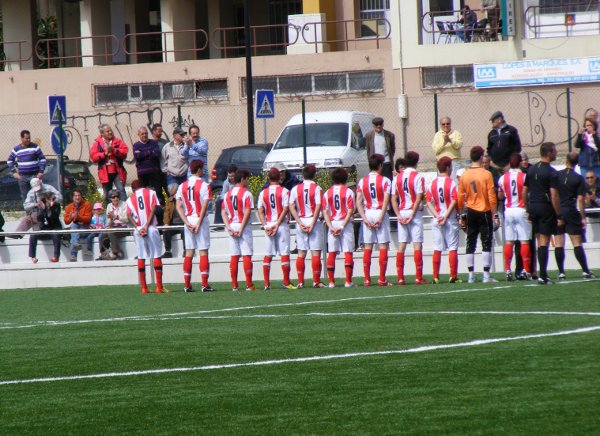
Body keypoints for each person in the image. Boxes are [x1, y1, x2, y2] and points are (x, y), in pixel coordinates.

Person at [458, 146, 500, 283]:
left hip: (471, 211)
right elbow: (491, 196)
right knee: (486, 242)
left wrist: (461, 212)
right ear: (481, 157)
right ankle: (486, 275)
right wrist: (494, 213)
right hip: (484, 211)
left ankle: (471, 275)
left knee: (471, 242)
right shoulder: (486, 174)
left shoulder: (465, 175)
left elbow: (460, 196)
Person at [522, 142, 561, 285]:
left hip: (533, 206)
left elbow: (524, 191)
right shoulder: (552, 172)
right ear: (549, 153)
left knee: (539, 241)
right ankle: (543, 275)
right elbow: (554, 195)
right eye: (555, 151)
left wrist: (527, 208)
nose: (556, 153)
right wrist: (558, 214)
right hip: (545, 207)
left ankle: (541, 274)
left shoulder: (531, 170)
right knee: (544, 242)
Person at [554, 152, 595, 280]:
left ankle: (561, 272)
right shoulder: (578, 178)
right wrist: (583, 217)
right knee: (577, 243)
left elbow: (553, 193)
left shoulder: (557, 175)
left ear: (566, 160)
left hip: (558, 211)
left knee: (559, 243)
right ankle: (585, 271)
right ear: (577, 163)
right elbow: (581, 199)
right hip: (571, 210)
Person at [175, 160, 213, 293]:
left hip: (189, 220)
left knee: (189, 252)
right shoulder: (204, 185)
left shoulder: (182, 186)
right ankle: (204, 284)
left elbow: (178, 206)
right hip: (200, 220)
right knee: (203, 251)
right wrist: (198, 223)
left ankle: (187, 285)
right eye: (202, 168)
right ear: (199, 169)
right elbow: (204, 206)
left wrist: (186, 222)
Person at [356, 154, 393, 287]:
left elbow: (358, 201)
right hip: (379, 213)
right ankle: (382, 279)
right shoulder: (385, 181)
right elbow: (386, 201)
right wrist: (380, 217)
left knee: (368, 246)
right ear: (380, 165)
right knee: (383, 245)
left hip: (368, 213)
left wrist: (364, 218)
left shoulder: (362, 181)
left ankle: (367, 279)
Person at [391, 151, 427, 285]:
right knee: (417, 244)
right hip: (413, 213)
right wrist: (412, 214)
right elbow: (418, 198)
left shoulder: (397, 177)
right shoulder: (418, 176)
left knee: (402, 244)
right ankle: (418, 277)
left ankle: (400, 278)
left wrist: (398, 215)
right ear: (416, 162)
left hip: (402, 212)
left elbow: (393, 198)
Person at [257, 167, 296, 290]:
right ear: (279, 177)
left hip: (269, 225)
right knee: (284, 253)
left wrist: (265, 225)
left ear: (268, 178)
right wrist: (277, 224)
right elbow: (285, 208)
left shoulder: (263, 193)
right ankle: (286, 282)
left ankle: (266, 284)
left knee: (268, 254)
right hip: (281, 225)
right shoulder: (284, 191)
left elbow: (260, 210)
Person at [289, 164, 326, 289]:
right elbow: (319, 205)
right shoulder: (317, 188)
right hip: (313, 222)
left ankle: (300, 282)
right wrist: (313, 223)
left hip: (301, 221)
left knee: (301, 253)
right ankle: (316, 281)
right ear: (314, 174)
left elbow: (291, 206)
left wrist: (299, 222)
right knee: (316, 253)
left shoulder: (295, 189)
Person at [497, 153, 532, 281]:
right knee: (524, 240)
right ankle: (526, 270)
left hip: (509, 210)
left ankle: (507, 270)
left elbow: (500, 196)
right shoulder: (524, 177)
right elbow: (527, 193)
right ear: (519, 162)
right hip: (521, 209)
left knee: (509, 241)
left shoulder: (503, 178)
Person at [127, 179, 165, 294]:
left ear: (133, 189)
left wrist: (138, 227)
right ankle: (159, 287)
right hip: (151, 228)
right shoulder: (151, 193)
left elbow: (128, 215)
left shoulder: (130, 199)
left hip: (138, 230)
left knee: (141, 256)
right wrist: (147, 225)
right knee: (156, 255)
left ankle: (144, 288)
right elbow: (154, 208)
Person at [426, 157, 460, 284]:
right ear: (447, 168)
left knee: (437, 247)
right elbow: (454, 200)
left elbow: (428, 201)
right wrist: (445, 216)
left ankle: (435, 277)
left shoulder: (433, 183)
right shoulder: (451, 183)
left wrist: (437, 215)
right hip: (449, 219)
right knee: (452, 247)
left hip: (437, 219)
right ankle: (453, 275)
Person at [222, 169, 256, 292]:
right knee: (246, 254)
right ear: (242, 179)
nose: (248, 181)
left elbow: (223, 212)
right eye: (247, 179)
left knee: (234, 255)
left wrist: (228, 227)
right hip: (243, 226)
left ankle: (234, 285)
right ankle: (249, 284)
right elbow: (247, 211)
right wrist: (241, 228)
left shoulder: (227, 194)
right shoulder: (247, 194)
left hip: (232, 226)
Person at [321, 167, 356, 288]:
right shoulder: (349, 192)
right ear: (345, 178)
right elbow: (350, 211)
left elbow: (325, 211)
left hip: (332, 223)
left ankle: (331, 282)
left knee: (332, 252)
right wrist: (341, 226)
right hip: (345, 224)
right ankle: (348, 281)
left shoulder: (327, 193)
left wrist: (330, 226)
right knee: (348, 251)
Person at [90, 124, 128, 201]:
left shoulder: (117, 141)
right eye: (107, 131)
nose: (110, 132)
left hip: (117, 172)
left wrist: (114, 150)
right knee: (107, 193)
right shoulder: (97, 143)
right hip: (104, 173)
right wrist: (104, 154)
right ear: (102, 133)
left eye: (111, 130)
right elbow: (93, 157)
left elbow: (125, 152)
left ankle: (125, 207)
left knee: (121, 190)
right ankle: (108, 208)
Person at [7, 130, 46, 202]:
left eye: (29, 138)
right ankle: (28, 209)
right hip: (23, 177)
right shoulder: (16, 149)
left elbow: (42, 159)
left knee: (37, 196)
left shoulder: (35, 147)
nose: (28, 140)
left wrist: (41, 171)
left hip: (34, 176)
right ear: (21, 138)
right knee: (26, 198)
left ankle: (39, 209)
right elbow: (10, 161)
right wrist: (14, 172)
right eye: (26, 138)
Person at [133, 126, 164, 205]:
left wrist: (143, 153)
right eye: (142, 134)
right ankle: (148, 208)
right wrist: (150, 152)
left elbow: (157, 154)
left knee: (158, 191)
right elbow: (138, 156)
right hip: (142, 173)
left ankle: (160, 208)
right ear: (138, 134)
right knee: (145, 193)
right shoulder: (136, 145)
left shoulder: (153, 142)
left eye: (146, 133)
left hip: (154, 171)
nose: (144, 135)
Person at [28, 192, 62, 264]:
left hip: (55, 228)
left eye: (53, 199)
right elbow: (39, 219)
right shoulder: (42, 206)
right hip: (45, 229)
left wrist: (51, 208)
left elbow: (54, 217)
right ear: (46, 199)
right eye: (49, 199)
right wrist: (43, 210)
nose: (51, 201)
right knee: (33, 235)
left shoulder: (57, 206)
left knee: (55, 234)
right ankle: (33, 256)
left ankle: (56, 257)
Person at [63, 189, 92, 262]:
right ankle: (76, 244)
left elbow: (88, 219)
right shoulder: (69, 207)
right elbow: (66, 222)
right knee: (73, 226)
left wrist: (78, 217)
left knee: (74, 233)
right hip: (76, 228)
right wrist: (71, 218)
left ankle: (73, 254)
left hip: (85, 228)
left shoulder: (87, 204)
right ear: (72, 197)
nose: (77, 197)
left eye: (79, 195)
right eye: (75, 196)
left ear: (81, 196)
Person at [162, 183, 185, 258]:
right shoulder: (169, 201)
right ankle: (168, 251)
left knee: (185, 231)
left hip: (183, 223)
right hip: (173, 224)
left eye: (171, 191)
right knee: (165, 230)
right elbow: (166, 213)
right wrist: (166, 223)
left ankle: (186, 250)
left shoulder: (183, 199)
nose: (169, 192)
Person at [105, 189, 128, 260]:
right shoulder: (109, 206)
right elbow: (108, 222)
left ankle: (115, 252)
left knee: (111, 232)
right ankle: (104, 253)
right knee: (102, 234)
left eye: (117, 196)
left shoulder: (124, 204)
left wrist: (117, 217)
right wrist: (111, 219)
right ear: (110, 199)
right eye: (113, 197)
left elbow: (127, 218)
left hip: (124, 227)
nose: (116, 198)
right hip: (113, 226)